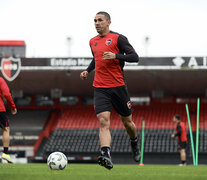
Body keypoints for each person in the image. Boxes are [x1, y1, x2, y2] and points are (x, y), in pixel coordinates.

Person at [80, 11, 140, 170]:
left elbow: (135, 57)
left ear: (108, 22)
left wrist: (116, 56)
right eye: (94, 20)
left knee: (128, 123)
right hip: (100, 88)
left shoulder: (119, 38)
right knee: (103, 121)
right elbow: (97, 59)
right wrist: (87, 70)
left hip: (118, 87)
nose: (96, 23)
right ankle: (105, 154)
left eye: (100, 20)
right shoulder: (92, 41)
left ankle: (134, 142)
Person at [0, 77, 17, 163]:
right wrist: (13, 107)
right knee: (6, 129)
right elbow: (6, 94)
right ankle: (5, 154)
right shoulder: (0, 80)